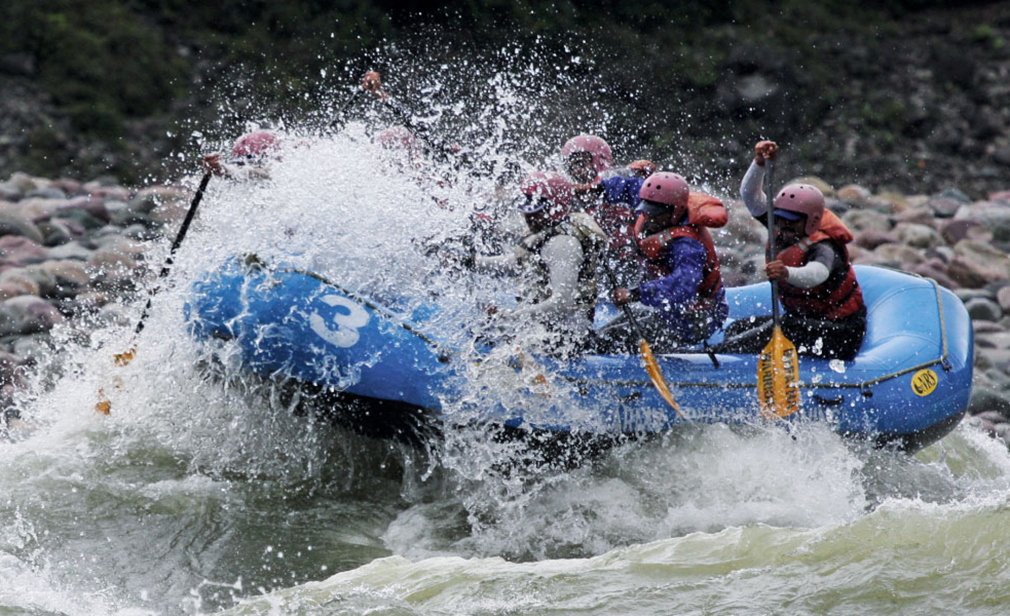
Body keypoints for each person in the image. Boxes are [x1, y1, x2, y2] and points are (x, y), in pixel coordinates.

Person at [719, 140, 866, 360]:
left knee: (785, 327)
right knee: (737, 330)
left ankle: (717, 361)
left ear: (812, 220)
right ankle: (730, 367)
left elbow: (818, 273)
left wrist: (787, 273)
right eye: (781, 218)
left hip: (840, 332)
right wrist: (758, 164)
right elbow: (751, 197)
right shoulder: (781, 226)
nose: (784, 225)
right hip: (807, 322)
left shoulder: (825, 246)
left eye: (792, 221)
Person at [470, 172, 607, 355]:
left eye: (535, 210)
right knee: (479, 331)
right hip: (544, 329)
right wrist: (473, 263)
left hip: (566, 340)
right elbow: (518, 262)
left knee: (487, 338)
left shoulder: (563, 244)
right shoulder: (547, 231)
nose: (528, 216)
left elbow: (562, 303)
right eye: (527, 209)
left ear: (555, 207)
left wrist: (508, 316)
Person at [607, 171, 730, 351]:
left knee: (611, 339)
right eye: (647, 211)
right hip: (669, 312)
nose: (650, 218)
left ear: (677, 210)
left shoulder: (688, 246)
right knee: (606, 330)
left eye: (657, 214)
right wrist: (597, 187)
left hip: (697, 319)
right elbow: (629, 187)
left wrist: (634, 294)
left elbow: (682, 287)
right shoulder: (657, 203)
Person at [202, 130, 280, 180]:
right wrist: (219, 169)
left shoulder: (282, 174)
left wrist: (225, 170)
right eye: (239, 164)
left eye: (253, 164)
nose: (243, 167)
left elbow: (264, 173)